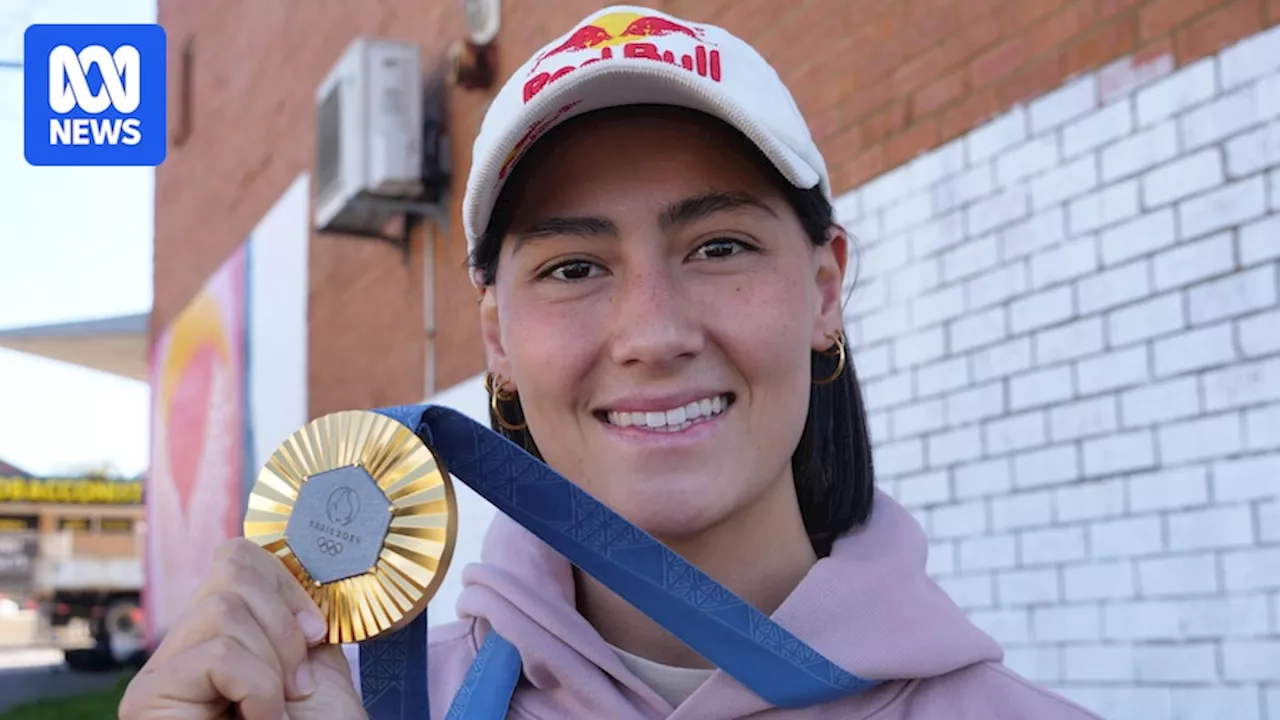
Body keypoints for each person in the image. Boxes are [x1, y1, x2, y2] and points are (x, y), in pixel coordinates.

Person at [120, 5, 1104, 719]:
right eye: (574, 265)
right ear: (497, 338)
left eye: (717, 246)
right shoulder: (343, 706)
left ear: (823, 287)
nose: (651, 332)